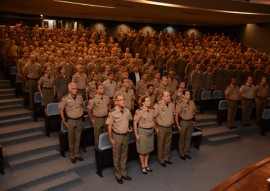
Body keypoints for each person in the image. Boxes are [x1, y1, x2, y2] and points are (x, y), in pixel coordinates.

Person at [105, 95, 133, 184]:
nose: (123, 101)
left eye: (124, 99)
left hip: (126, 136)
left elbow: (130, 120)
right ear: (116, 102)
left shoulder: (127, 110)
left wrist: (129, 128)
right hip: (117, 136)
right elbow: (109, 126)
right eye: (121, 100)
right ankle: (118, 175)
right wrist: (110, 138)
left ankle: (124, 173)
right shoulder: (112, 112)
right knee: (117, 157)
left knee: (124, 156)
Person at [59, 83, 84, 163]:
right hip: (71, 121)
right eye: (73, 88)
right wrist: (64, 121)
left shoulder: (80, 97)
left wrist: (82, 115)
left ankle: (77, 154)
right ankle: (72, 155)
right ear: (69, 90)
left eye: (76, 88)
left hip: (79, 120)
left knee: (78, 138)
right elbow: (61, 110)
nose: (76, 90)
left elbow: (82, 106)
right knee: (71, 139)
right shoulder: (65, 98)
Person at [134, 96, 155, 174]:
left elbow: (153, 120)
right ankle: (143, 166)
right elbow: (135, 123)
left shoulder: (151, 110)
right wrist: (136, 134)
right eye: (147, 101)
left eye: (150, 100)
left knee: (148, 149)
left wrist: (155, 128)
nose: (149, 102)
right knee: (142, 150)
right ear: (143, 102)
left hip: (150, 132)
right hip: (142, 132)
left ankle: (146, 164)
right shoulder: (139, 111)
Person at [154, 91, 175, 167]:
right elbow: (154, 117)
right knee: (161, 144)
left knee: (168, 144)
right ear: (162, 97)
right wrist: (155, 127)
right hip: (161, 128)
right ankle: (161, 159)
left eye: (169, 95)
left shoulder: (172, 105)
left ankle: (166, 158)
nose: (169, 97)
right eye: (167, 96)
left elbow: (173, 115)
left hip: (169, 127)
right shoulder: (158, 105)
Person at [175, 90, 196, 160]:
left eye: (189, 94)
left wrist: (194, 119)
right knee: (182, 139)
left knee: (188, 138)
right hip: (183, 122)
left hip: (190, 122)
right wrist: (177, 125)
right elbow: (176, 114)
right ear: (183, 95)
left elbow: (194, 111)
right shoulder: (180, 103)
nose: (189, 95)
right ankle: (181, 153)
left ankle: (186, 152)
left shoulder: (192, 102)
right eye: (187, 94)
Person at [88, 84, 110, 148]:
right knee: (97, 136)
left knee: (105, 135)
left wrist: (109, 114)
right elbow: (89, 109)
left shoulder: (106, 97)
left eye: (103, 88)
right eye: (101, 88)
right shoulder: (93, 99)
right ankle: (98, 151)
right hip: (97, 119)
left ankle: (104, 149)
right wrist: (91, 119)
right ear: (97, 90)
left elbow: (109, 106)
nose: (103, 89)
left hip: (106, 119)